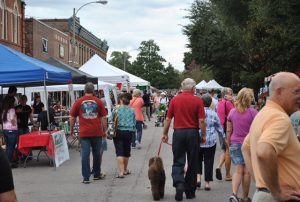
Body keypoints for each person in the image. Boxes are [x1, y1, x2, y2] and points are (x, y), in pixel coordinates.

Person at [242, 72, 300, 202]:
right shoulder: (279, 118)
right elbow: (264, 151)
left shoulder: (263, 114)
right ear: (279, 92)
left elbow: (245, 148)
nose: (299, 96)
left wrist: (261, 183)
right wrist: (276, 192)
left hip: (264, 195)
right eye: (296, 92)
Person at [162, 78, 206, 201]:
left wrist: (165, 133)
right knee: (193, 162)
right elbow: (201, 121)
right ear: (193, 88)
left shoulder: (175, 100)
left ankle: (179, 183)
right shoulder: (198, 100)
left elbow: (168, 119)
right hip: (192, 133)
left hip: (179, 133)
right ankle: (190, 191)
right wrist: (203, 135)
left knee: (178, 160)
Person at [70, 82, 107, 184]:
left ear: (84, 90)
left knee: (85, 155)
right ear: (93, 90)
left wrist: (71, 130)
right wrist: (105, 130)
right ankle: (96, 174)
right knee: (97, 154)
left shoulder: (78, 101)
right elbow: (103, 118)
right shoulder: (98, 101)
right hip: (97, 132)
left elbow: (72, 118)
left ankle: (86, 177)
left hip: (84, 133)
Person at [227, 88, 258, 202]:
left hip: (234, 143)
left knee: (237, 171)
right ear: (249, 98)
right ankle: (245, 197)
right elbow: (257, 130)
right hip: (248, 145)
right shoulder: (253, 112)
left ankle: (234, 194)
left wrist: (228, 143)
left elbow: (229, 130)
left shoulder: (232, 112)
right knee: (247, 172)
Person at [197, 94, 224, 191]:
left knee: (197, 159)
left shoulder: (196, 113)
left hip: (198, 140)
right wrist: (223, 139)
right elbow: (220, 129)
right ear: (210, 103)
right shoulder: (214, 114)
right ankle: (207, 183)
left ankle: (198, 178)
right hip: (211, 141)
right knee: (209, 161)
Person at [110, 93, 136, 178]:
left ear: (121, 100)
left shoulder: (116, 109)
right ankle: (125, 170)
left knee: (119, 151)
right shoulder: (132, 110)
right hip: (129, 132)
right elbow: (134, 122)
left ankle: (121, 172)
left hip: (118, 131)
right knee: (126, 151)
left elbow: (110, 119)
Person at [216, 87, 234, 181]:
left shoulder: (219, 102)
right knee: (228, 152)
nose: (232, 95)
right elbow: (235, 113)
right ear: (226, 94)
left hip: (221, 129)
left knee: (225, 150)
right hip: (228, 128)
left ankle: (219, 166)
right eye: (231, 93)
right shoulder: (228, 103)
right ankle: (227, 175)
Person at [2, 96, 18, 168]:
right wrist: (15, 119)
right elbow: (12, 120)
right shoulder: (12, 110)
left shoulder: (4, 110)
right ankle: (8, 164)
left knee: (8, 147)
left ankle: (7, 162)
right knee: (10, 148)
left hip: (5, 129)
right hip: (11, 129)